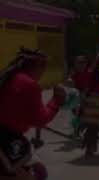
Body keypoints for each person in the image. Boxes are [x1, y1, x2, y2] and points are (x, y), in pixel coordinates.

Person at [0, 48, 66, 179]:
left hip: (7, 136)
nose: (43, 72)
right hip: (7, 140)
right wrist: (56, 102)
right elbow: (40, 119)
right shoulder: (29, 84)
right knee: (38, 172)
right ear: (37, 66)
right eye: (44, 67)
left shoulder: (7, 78)